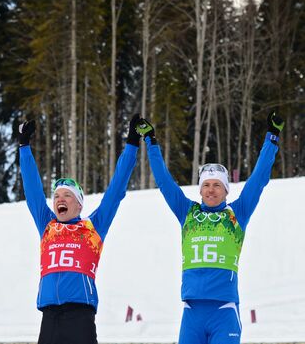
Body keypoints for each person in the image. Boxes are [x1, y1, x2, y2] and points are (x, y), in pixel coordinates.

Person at [136, 111, 285, 344]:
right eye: (206, 185)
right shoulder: (188, 213)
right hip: (192, 312)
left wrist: (272, 138)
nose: (211, 189)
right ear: (200, 189)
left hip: (224, 312)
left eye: (217, 185)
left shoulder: (236, 213)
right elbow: (165, 182)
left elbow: (258, 179)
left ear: (226, 189)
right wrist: (151, 141)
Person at [18, 115, 140, 344]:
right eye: (56, 196)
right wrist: (24, 147)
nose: (59, 199)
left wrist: (132, 143)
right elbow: (32, 189)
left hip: (80, 316)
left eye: (66, 195)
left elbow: (116, 189)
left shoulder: (92, 227)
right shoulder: (47, 225)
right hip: (50, 317)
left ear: (79, 204)